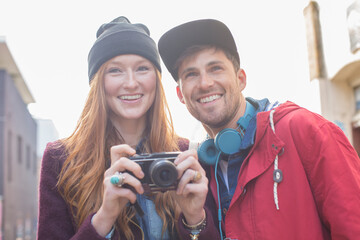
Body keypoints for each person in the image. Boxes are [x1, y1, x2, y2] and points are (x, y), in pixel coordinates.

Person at [158, 19, 360, 239]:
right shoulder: (201, 168)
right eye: (191, 74)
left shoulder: (305, 129)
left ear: (240, 79)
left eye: (215, 68)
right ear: (180, 95)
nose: (205, 83)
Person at [37, 16, 208, 240]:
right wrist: (104, 217)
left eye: (142, 68)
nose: (130, 82)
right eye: (115, 71)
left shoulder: (185, 154)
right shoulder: (61, 159)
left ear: (156, 80)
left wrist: (195, 218)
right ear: (99, 83)